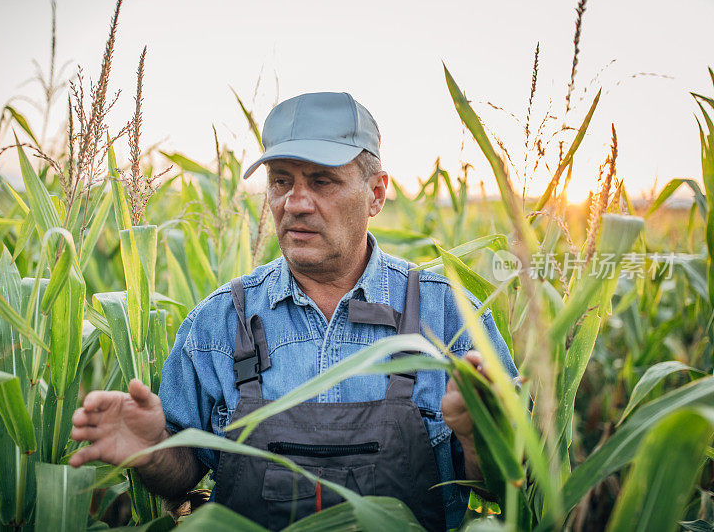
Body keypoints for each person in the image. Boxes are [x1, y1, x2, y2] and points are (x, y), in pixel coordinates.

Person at [70, 91, 518, 530]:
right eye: (282, 181)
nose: (295, 203)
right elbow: (183, 473)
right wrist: (152, 449)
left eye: (321, 181)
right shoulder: (220, 323)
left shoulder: (450, 318)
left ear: (376, 194)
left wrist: (482, 436)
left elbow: (507, 484)